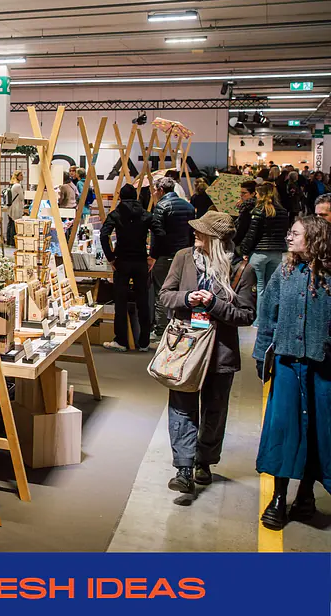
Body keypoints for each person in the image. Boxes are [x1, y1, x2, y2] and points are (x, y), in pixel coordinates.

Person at [160, 211, 256, 494]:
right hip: (185, 347)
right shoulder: (183, 257)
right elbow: (165, 295)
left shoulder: (242, 269)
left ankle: (204, 461)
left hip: (221, 352)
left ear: (215, 239)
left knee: (215, 411)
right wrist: (186, 298)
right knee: (181, 406)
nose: (195, 233)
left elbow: (247, 315)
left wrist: (214, 304)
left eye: (201, 231)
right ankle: (183, 468)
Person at [254, 215, 331, 529]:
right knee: (284, 430)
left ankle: (306, 495)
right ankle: (278, 497)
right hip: (287, 365)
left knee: (317, 431)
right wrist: (261, 353)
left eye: (295, 233)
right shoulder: (284, 272)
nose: (289, 237)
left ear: (313, 238)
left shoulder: (329, 276)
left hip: (322, 368)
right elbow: (267, 314)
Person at [100, 184, 163, 352]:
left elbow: (104, 235)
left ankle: (121, 341)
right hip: (141, 261)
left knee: (120, 302)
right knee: (143, 301)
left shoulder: (116, 214)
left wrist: (111, 257)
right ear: (136, 197)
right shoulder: (145, 214)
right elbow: (160, 233)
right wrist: (153, 256)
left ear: (120, 197)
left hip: (122, 261)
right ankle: (144, 342)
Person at [149, 176, 195, 345]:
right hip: (185, 254)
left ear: (161, 190)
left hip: (166, 255)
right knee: (181, 292)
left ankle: (161, 330)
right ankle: (178, 327)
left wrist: (153, 256)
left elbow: (157, 234)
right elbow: (192, 232)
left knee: (162, 292)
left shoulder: (161, 206)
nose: (154, 193)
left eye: (155, 190)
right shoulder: (188, 206)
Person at [240, 182, 288, 324]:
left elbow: (252, 234)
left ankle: (258, 320)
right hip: (277, 252)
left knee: (258, 287)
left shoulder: (258, 211)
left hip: (259, 252)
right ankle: (269, 319)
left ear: (260, 194)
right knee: (270, 287)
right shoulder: (283, 211)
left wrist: (244, 250)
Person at [233, 180, 257, 249]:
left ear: (253, 194)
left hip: (244, 244)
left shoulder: (248, 207)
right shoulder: (253, 205)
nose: (241, 195)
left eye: (244, 193)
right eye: (241, 192)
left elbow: (242, 228)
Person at [6, 170, 25, 246]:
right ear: (17, 176)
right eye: (21, 175)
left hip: (11, 206)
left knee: (10, 223)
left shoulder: (12, 184)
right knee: (14, 225)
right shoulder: (18, 186)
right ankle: (13, 241)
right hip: (16, 207)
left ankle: (9, 241)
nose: (22, 176)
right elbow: (22, 197)